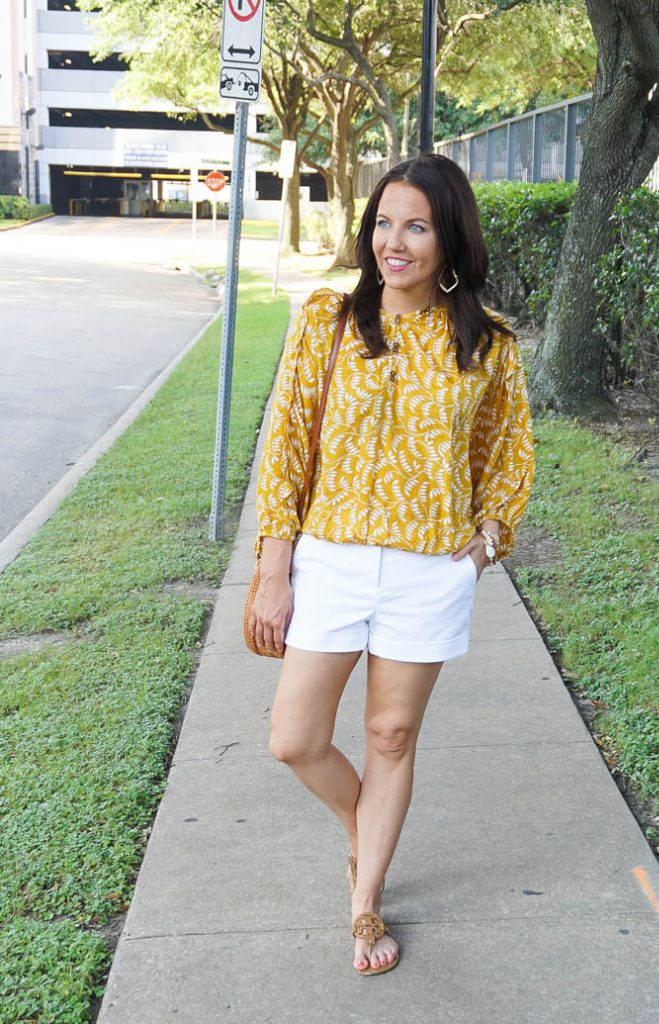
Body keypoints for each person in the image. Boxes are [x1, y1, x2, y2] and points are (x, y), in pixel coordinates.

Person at [249, 152, 535, 976]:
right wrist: (275, 569)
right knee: (293, 738)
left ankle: (364, 898)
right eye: (384, 223)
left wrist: (484, 544)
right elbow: (286, 453)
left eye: (416, 226)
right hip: (332, 560)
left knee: (391, 734)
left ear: (450, 239)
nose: (394, 242)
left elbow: (507, 454)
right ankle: (361, 827)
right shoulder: (326, 321)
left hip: (428, 572)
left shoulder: (488, 345)